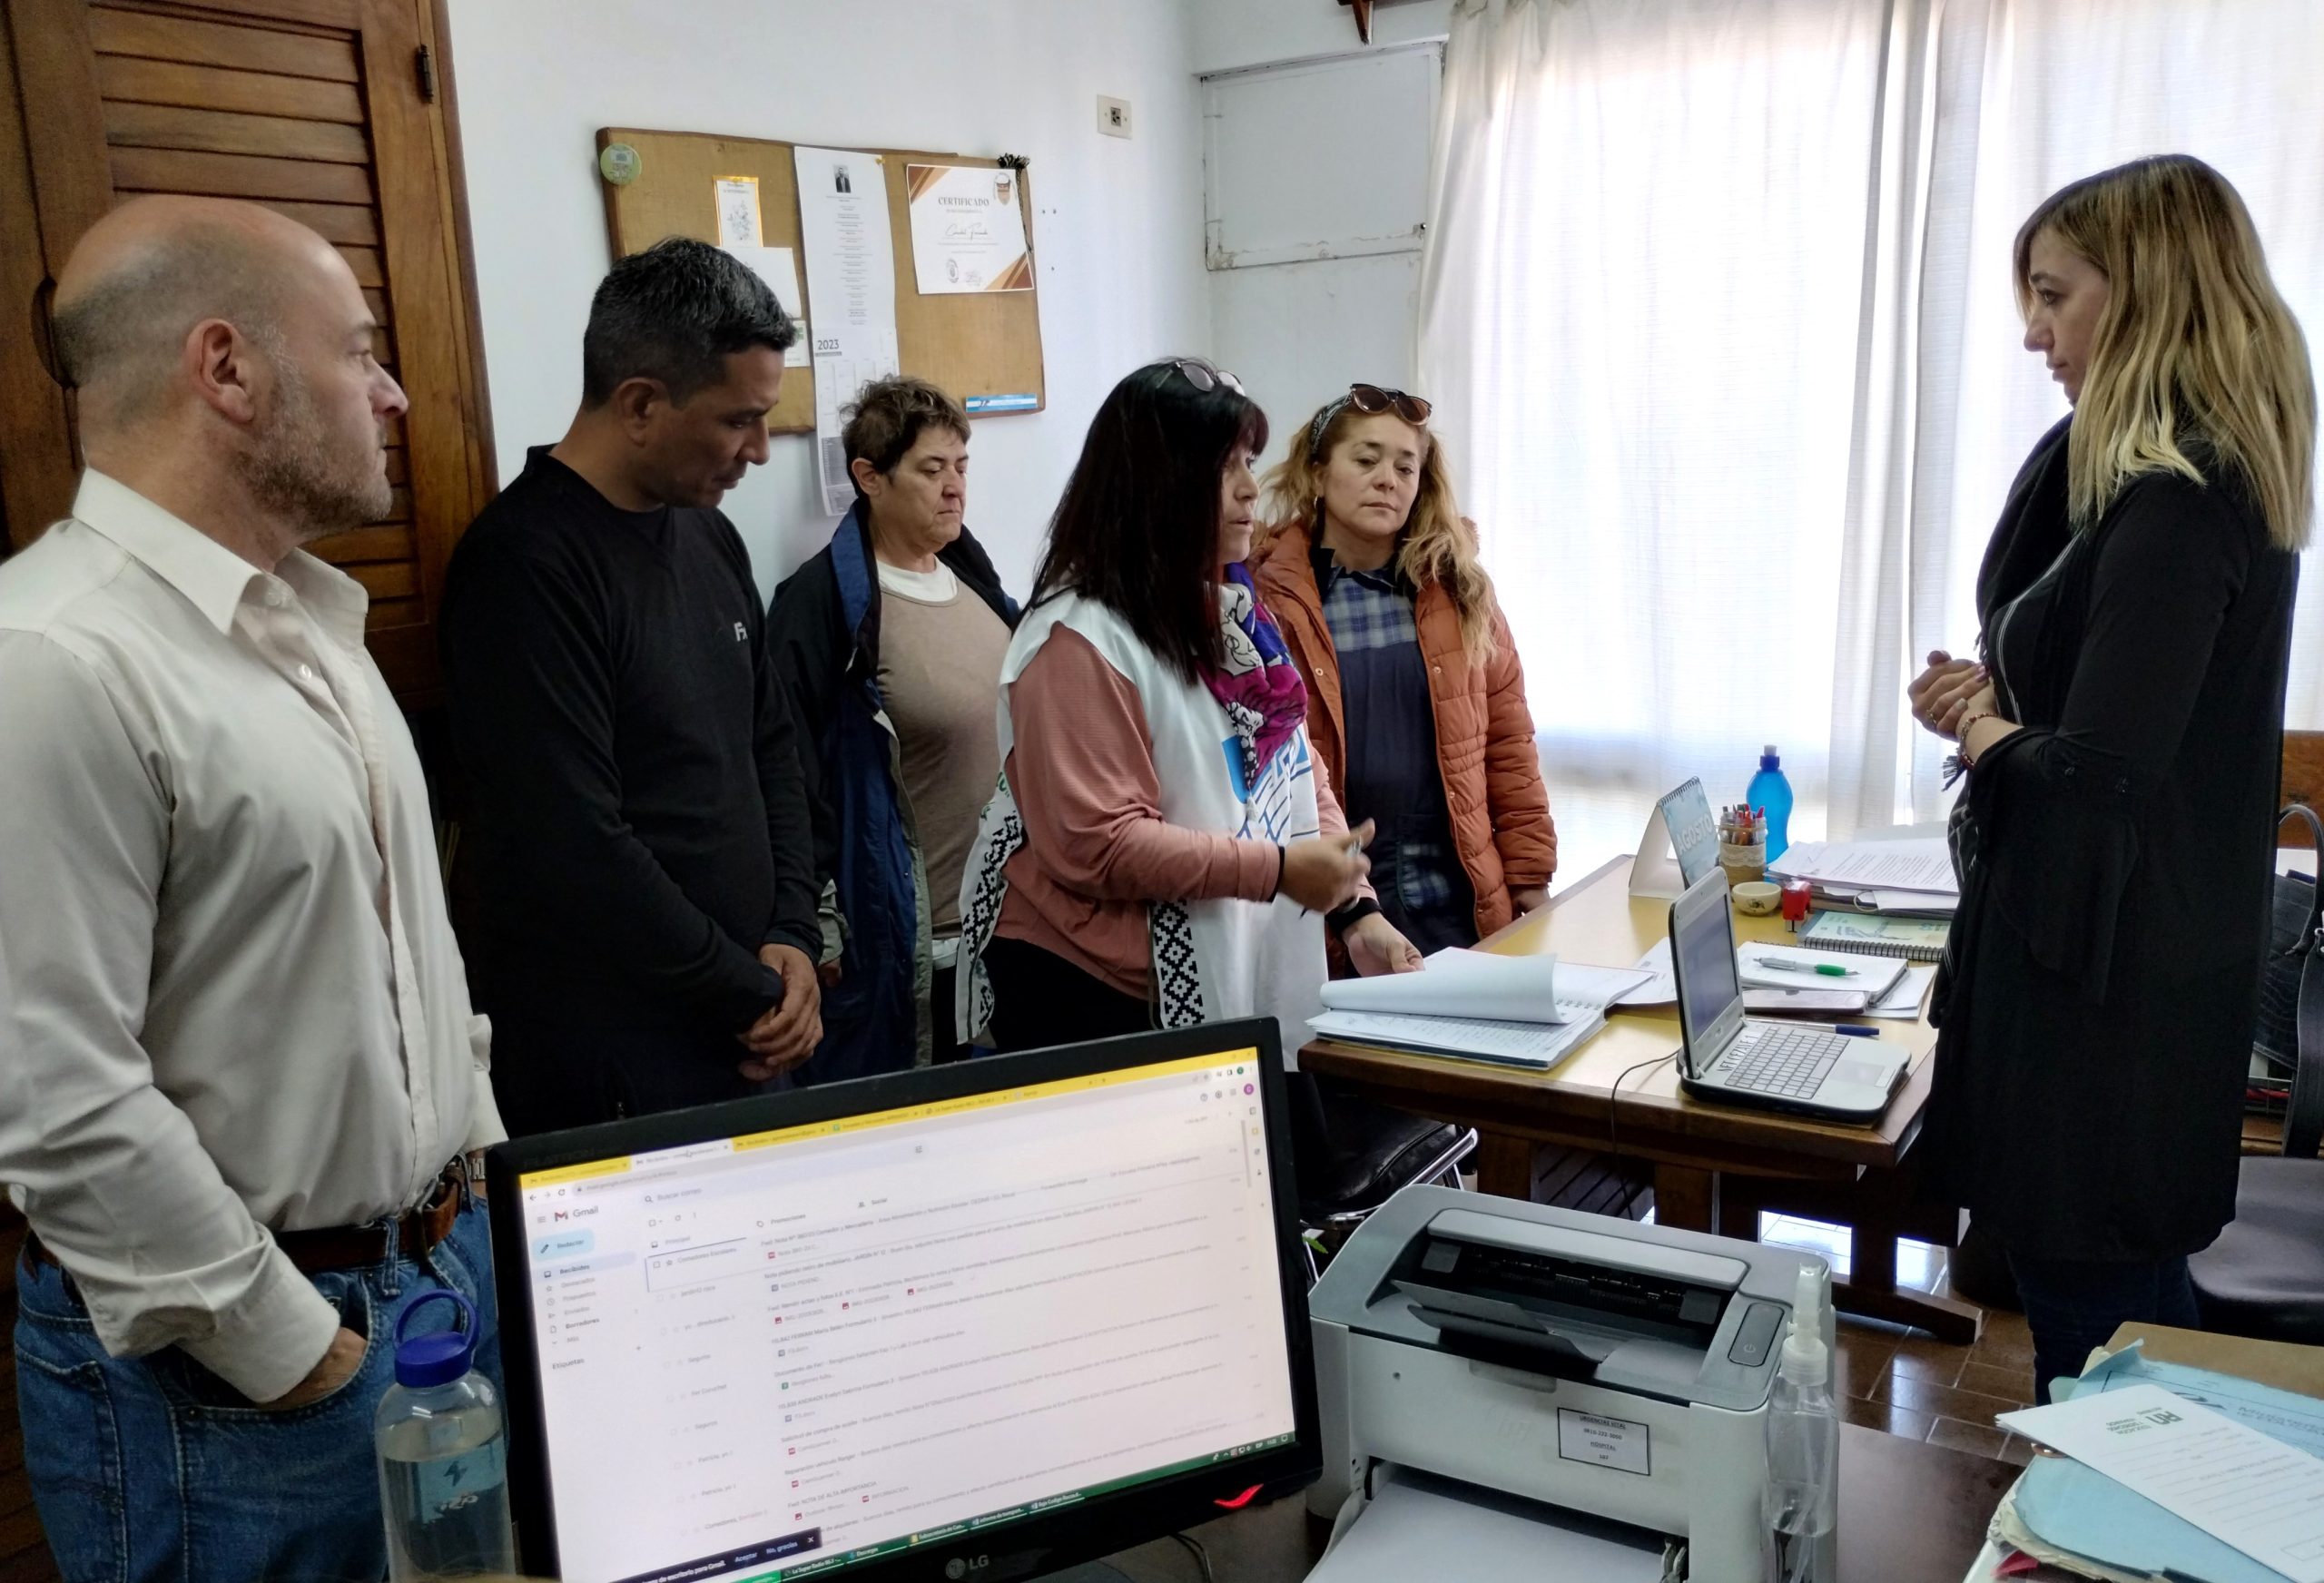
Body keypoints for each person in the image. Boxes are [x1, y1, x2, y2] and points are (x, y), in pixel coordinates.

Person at [0, 195, 502, 1578]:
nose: (395, 394)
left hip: (436, 1291)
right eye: (359, 352)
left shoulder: (313, 628)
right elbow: (53, 1093)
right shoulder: (52, 661)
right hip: (238, 1379)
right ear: (227, 370)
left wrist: (492, 1211)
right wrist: (299, 1355)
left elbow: (420, 967)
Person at [1908, 155, 2312, 1402]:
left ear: (2144, 293)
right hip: (2117, 968)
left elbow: (2100, 775)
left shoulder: (2180, 500)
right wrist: (1996, 698)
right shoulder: (2144, 478)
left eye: (2054, 295)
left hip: (2102, 996)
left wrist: (1982, 729)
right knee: (2136, 1325)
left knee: (2094, 1349)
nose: (2034, 332)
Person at [440, 238, 822, 1135]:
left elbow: (772, 748)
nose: (759, 451)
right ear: (643, 405)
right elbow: (573, 841)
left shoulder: (707, 536)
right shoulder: (525, 565)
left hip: (752, 1023)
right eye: (739, 420)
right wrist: (749, 988)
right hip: (621, 1058)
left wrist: (795, 939)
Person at [954, 358, 1422, 1058]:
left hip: (1220, 956)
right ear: (1155, 485)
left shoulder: (1226, 604)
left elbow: (1291, 758)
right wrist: (1277, 870)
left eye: (1249, 461)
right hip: (1092, 994)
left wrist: (1355, 910)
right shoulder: (1079, 640)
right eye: (1221, 467)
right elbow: (1100, 842)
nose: (1247, 488)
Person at [1253, 385, 1556, 959]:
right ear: (1317, 475)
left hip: (1456, 898)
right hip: (1327, 906)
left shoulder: (1461, 592)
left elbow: (1510, 748)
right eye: (1365, 461)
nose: (1387, 479)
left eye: (1404, 467)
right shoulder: (1265, 598)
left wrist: (1531, 882)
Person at [769, 377, 1016, 1074]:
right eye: (931, 470)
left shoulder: (975, 579)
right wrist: (813, 920)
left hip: (1007, 930)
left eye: (961, 467)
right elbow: (788, 774)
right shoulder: (824, 607)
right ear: (869, 477)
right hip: (914, 947)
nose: (954, 489)